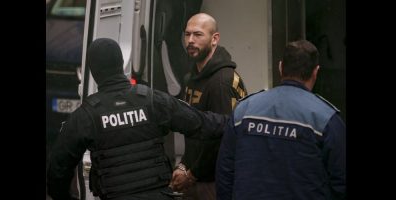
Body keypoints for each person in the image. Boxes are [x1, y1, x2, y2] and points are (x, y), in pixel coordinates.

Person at [46, 38, 228, 200]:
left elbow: (57, 169)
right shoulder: (152, 100)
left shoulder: (85, 115)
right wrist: (239, 118)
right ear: (121, 63)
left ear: (93, 71)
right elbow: (202, 124)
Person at [216, 39, 346, 200]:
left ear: (280, 67)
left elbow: (225, 173)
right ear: (316, 71)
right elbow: (341, 183)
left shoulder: (243, 111)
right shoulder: (327, 119)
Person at [170, 13, 247, 199]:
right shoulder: (191, 78)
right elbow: (193, 131)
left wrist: (191, 175)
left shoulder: (222, 81)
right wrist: (182, 165)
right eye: (187, 34)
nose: (190, 40)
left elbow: (223, 136)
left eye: (197, 35)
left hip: (215, 182)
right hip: (197, 178)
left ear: (215, 39)